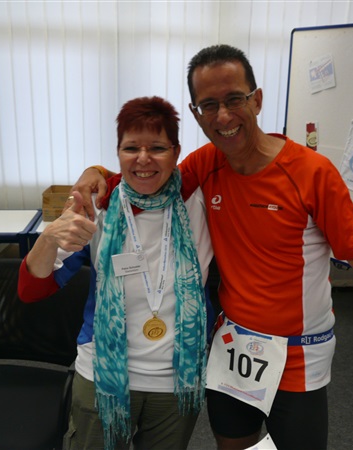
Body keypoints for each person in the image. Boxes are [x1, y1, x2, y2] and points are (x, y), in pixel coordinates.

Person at [71, 45, 353, 450]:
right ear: (197, 113)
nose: (223, 116)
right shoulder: (205, 163)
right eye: (209, 105)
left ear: (257, 100)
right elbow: (147, 182)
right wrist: (97, 172)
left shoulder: (311, 172)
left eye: (234, 100)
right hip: (233, 348)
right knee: (234, 445)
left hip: (298, 356)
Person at [18, 96, 213, 450]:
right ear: (118, 152)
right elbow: (32, 289)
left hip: (177, 381)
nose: (143, 159)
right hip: (103, 375)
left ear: (176, 152)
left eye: (157, 148)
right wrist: (48, 238)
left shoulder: (200, 196)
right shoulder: (99, 206)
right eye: (131, 148)